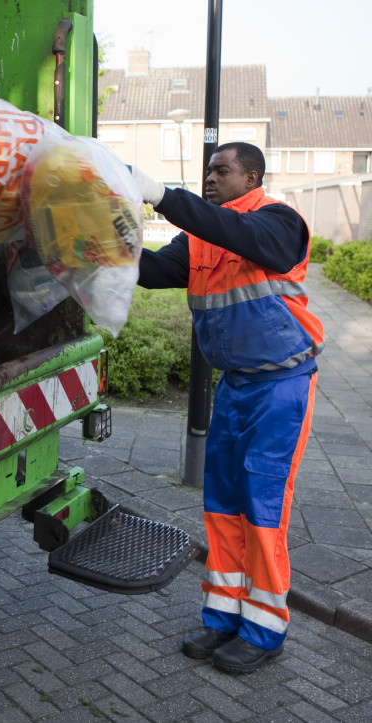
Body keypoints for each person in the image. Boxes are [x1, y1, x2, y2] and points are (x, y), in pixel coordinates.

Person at [129, 142, 323, 674]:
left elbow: (237, 233)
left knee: (262, 507)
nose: (210, 178)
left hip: (281, 387)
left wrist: (161, 195)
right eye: (207, 171)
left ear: (251, 178)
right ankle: (223, 617)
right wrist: (97, 236)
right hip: (236, 387)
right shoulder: (200, 238)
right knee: (222, 506)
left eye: (222, 170)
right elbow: (150, 270)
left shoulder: (278, 221)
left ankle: (264, 630)